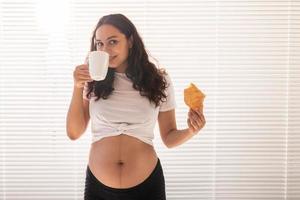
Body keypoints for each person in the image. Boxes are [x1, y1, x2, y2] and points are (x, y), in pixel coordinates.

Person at [66, 13, 206, 200]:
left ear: (130, 41)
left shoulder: (158, 80)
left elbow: (169, 138)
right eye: (99, 43)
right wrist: (77, 86)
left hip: (147, 187)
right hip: (98, 188)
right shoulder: (92, 80)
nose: (105, 50)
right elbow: (73, 133)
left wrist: (191, 130)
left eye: (113, 42)